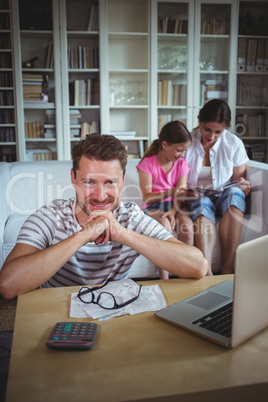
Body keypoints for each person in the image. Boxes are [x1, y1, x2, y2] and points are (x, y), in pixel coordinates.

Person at [0, 133, 208, 300]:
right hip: (54, 316)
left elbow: (198, 266)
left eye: (110, 182)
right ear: (73, 178)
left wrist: (121, 234)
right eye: (89, 182)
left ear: (123, 180)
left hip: (112, 312)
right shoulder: (49, 217)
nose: (100, 196)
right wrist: (85, 235)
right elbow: (8, 286)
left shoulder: (131, 218)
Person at [178, 99, 251, 275]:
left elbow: (238, 180)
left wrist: (243, 186)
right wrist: (185, 192)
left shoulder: (233, 143)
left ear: (225, 128)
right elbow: (177, 178)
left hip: (223, 198)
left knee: (235, 194)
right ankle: (207, 269)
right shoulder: (186, 141)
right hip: (196, 199)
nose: (211, 136)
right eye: (207, 129)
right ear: (199, 120)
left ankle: (227, 266)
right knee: (202, 201)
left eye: (218, 132)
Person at [136, 120, 192, 279]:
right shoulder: (147, 164)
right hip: (153, 206)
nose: (182, 155)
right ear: (165, 144)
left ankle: (188, 272)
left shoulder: (181, 164)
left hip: (175, 205)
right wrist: (171, 191)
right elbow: (147, 196)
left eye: (184, 151)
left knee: (187, 227)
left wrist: (173, 212)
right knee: (164, 225)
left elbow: (180, 195)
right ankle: (164, 277)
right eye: (179, 150)